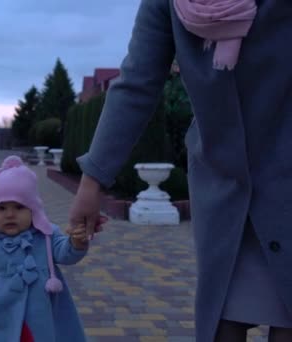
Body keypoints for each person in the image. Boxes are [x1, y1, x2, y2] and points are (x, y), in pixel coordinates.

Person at [68, 0, 292, 341]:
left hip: (286, 180)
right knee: (222, 322)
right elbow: (137, 83)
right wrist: (92, 180)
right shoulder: (166, 5)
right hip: (224, 189)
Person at [0, 155, 105, 341]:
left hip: (37, 323)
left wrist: (77, 243)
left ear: (33, 209)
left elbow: (65, 254)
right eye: (2, 208)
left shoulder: (46, 234)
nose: (10, 214)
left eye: (19, 207)